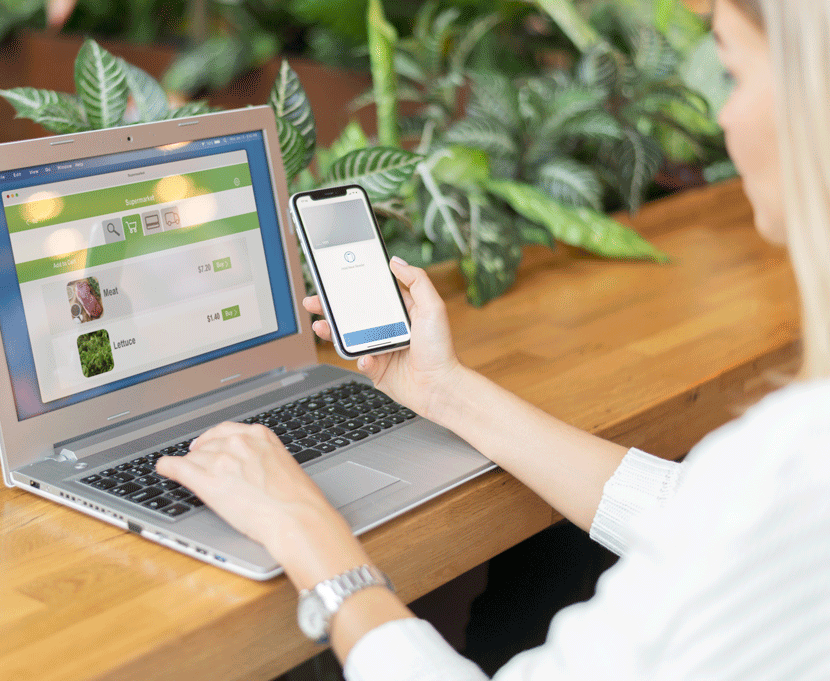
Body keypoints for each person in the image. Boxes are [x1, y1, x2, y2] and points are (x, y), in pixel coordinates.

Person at [157, 0, 830, 677]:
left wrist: (308, 532)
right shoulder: (789, 467)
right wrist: (447, 392)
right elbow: (697, 518)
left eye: (735, 76)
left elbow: (744, 513)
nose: (723, 115)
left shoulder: (789, 461)